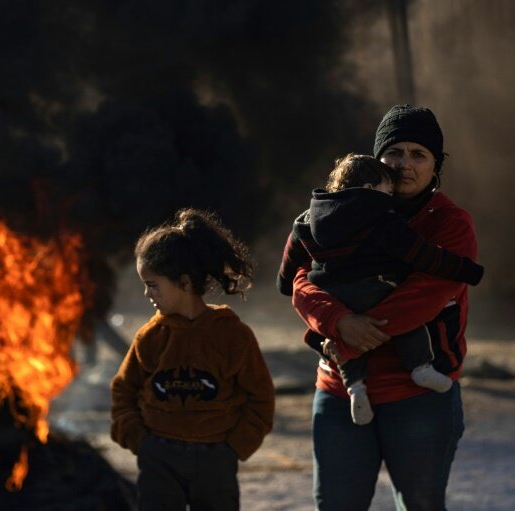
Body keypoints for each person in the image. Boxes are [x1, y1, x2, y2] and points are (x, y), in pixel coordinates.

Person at [292, 105, 478, 510]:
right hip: (339, 393)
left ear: (435, 166)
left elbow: (422, 298)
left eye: (418, 155)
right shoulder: (336, 212)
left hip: (417, 396)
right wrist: (338, 320)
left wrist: (348, 340)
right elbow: (301, 281)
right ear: (376, 158)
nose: (404, 165)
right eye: (394, 152)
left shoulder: (450, 223)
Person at [277, 153, 483, 425]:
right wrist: (468, 270)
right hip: (373, 290)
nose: (391, 196)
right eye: (387, 190)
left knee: (355, 338)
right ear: (369, 189)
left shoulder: (307, 219)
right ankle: (420, 366)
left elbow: (290, 269)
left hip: (334, 294)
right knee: (409, 319)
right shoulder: (380, 218)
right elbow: (421, 255)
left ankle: (355, 387)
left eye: (418, 154)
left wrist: (285, 283)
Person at [110, 208, 275, 511]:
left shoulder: (231, 336)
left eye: (153, 284)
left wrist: (234, 448)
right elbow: (123, 391)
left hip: (216, 460)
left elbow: (261, 398)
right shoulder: (150, 337)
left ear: (184, 283)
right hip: (159, 459)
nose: (147, 293)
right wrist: (141, 442)